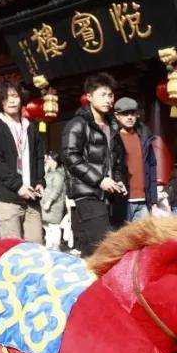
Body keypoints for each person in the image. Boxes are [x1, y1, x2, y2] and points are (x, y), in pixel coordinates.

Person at [62, 72, 127, 257]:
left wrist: (118, 180)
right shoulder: (78, 124)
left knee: (97, 250)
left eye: (111, 95)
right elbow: (70, 157)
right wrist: (99, 180)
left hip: (110, 195)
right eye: (103, 94)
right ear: (89, 97)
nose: (108, 99)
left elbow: (116, 160)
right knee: (103, 248)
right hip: (88, 194)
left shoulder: (113, 126)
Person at [0, 81, 46, 243]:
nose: (11, 101)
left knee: (36, 247)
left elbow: (39, 157)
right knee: (14, 252)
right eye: (5, 98)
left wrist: (40, 181)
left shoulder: (31, 127)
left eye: (14, 96)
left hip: (32, 198)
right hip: (8, 200)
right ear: (0, 102)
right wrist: (18, 186)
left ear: (21, 98)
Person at [112, 97, 159, 224]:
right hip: (121, 201)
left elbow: (152, 168)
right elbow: (110, 168)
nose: (129, 117)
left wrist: (153, 200)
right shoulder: (112, 138)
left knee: (143, 241)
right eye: (125, 114)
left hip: (144, 201)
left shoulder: (144, 138)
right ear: (117, 116)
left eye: (132, 113)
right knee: (122, 242)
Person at [41, 152, 67, 250]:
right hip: (47, 203)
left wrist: (49, 202)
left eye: (49, 159)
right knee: (48, 227)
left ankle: (55, 246)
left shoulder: (58, 174)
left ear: (55, 161)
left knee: (54, 226)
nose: (47, 161)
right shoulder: (50, 172)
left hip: (54, 205)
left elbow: (56, 189)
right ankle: (49, 245)